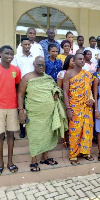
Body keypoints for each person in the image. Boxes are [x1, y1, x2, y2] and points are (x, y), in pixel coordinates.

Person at [18, 56, 68, 172]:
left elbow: (56, 88)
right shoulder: (27, 78)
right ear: (34, 64)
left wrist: (56, 92)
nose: (41, 67)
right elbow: (20, 95)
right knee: (34, 136)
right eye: (39, 65)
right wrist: (21, 111)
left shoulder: (48, 78)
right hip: (34, 114)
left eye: (43, 65)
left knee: (47, 135)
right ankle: (33, 160)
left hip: (48, 114)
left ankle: (44, 157)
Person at [63, 53, 94, 165]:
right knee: (75, 131)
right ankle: (73, 155)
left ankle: (85, 152)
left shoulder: (88, 75)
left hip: (87, 107)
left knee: (87, 130)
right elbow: (65, 93)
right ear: (74, 61)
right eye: (79, 59)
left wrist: (91, 99)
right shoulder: (68, 74)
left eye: (83, 59)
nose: (82, 61)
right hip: (74, 107)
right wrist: (68, 109)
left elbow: (89, 90)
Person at [0, 45, 21, 175]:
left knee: (11, 135)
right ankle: (0, 162)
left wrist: (20, 107)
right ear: (0, 54)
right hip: (0, 108)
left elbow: (18, 88)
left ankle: (10, 162)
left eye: (11, 54)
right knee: (0, 135)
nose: (9, 56)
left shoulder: (16, 70)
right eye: (7, 53)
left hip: (12, 106)